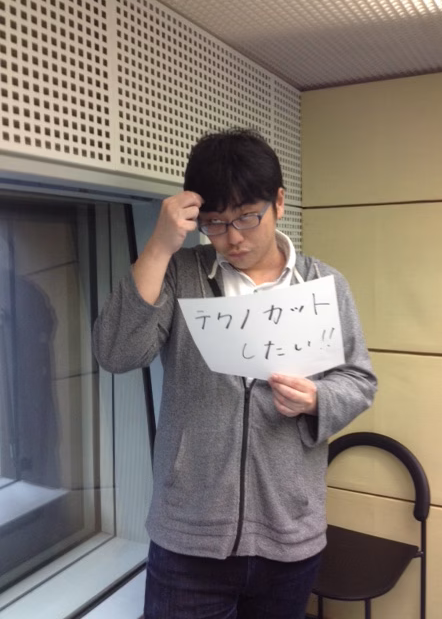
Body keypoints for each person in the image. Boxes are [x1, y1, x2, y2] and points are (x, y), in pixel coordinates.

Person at [93, 128, 377, 619]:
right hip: (189, 537)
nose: (234, 238)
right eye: (216, 223)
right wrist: (158, 247)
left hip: (289, 534)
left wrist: (316, 400)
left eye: (247, 216)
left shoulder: (324, 285)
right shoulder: (180, 273)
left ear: (278, 202)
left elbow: (358, 379)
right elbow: (116, 352)